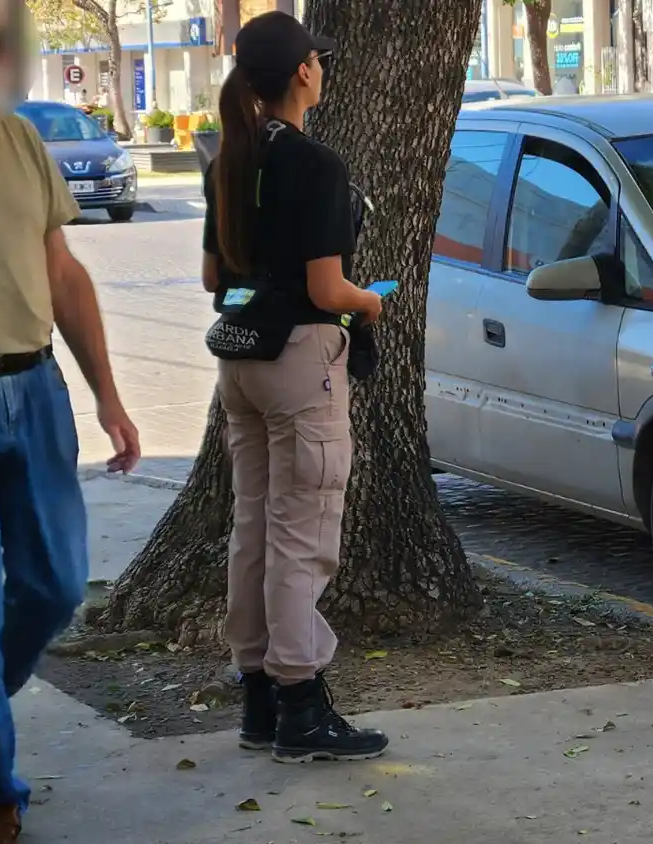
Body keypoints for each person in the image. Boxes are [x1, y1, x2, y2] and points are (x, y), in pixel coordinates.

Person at [0, 0, 142, 840]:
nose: (0, 61)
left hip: (38, 391)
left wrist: (109, 396)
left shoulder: (20, 139)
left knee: (54, 586)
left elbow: (63, 273)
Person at [201, 10, 388, 764]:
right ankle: (302, 706)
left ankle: (258, 698)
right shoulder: (317, 166)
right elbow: (327, 286)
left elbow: (215, 278)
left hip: (240, 362)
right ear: (304, 73)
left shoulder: (230, 160)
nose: (322, 68)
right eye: (319, 60)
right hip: (301, 359)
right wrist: (371, 301)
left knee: (254, 527)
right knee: (301, 538)